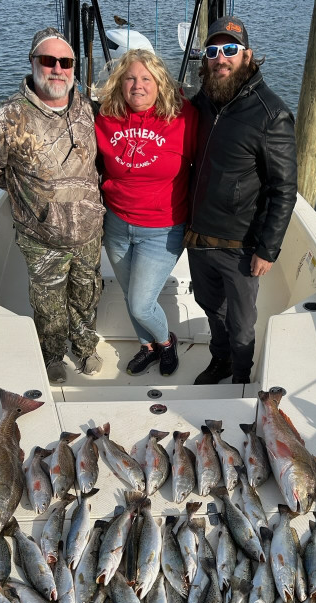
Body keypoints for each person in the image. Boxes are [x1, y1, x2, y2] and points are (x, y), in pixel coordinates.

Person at [0, 27, 105, 384]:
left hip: (89, 231)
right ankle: (53, 355)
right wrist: (23, 194)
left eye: (65, 62)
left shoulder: (90, 108)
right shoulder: (8, 117)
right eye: (48, 61)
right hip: (40, 236)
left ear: (74, 67)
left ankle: (86, 347)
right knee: (48, 302)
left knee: (87, 294)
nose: (57, 69)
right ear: (32, 64)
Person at [185, 16, 297, 385]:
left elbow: (283, 189)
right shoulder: (201, 102)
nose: (221, 58)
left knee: (241, 321)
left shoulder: (272, 114)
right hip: (198, 236)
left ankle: (241, 377)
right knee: (210, 307)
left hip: (241, 245)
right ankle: (220, 361)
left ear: (247, 56)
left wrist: (267, 249)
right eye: (213, 51)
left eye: (230, 50)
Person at [95, 49, 197, 377]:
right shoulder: (105, 117)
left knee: (141, 302)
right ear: (119, 84)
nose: (137, 85)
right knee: (129, 293)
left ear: (159, 83)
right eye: (130, 78)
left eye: (145, 79)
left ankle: (166, 342)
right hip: (117, 223)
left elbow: (214, 157)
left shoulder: (185, 117)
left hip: (163, 227)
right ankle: (147, 346)